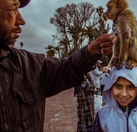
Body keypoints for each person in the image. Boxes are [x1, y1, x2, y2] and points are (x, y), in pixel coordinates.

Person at [0, 0, 116, 131]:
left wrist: (89, 53)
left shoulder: (24, 64)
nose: (21, 21)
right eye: (13, 7)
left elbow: (66, 68)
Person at [92, 63, 137, 132]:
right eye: (118, 86)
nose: (124, 94)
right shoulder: (102, 115)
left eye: (131, 87)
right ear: (110, 87)